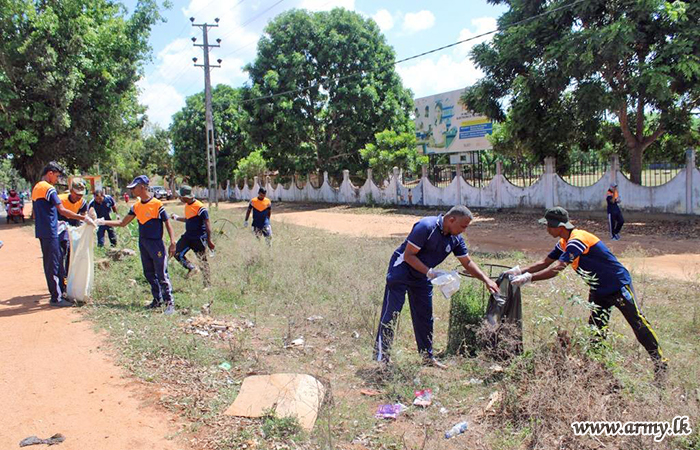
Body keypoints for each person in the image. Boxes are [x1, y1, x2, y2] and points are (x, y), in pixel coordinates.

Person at [508, 207, 667, 382]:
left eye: (548, 226)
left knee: (638, 323)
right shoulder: (563, 242)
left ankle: (660, 363)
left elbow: (556, 269)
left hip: (617, 285)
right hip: (598, 290)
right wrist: (518, 271)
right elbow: (545, 262)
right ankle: (598, 369)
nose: (546, 229)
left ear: (559, 226)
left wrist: (529, 279)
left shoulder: (577, 240)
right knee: (596, 330)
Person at [374, 205, 500, 368]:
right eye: (463, 226)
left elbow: (467, 263)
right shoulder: (426, 227)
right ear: (451, 219)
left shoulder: (455, 238)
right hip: (401, 272)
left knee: (425, 316)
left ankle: (427, 357)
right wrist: (431, 273)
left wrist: (486, 280)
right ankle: (382, 359)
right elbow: (409, 255)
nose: (464, 230)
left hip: (423, 276)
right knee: (392, 313)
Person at [99, 176, 177, 314]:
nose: (132, 191)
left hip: (156, 243)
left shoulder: (157, 204)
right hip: (143, 243)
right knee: (148, 273)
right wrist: (102, 222)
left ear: (142, 187)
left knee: (161, 274)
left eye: (133, 188)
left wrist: (172, 242)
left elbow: (167, 223)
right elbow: (123, 223)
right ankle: (157, 300)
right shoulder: (136, 207)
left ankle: (169, 303)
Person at [32, 162, 91, 307]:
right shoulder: (48, 189)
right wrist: (83, 218)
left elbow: (34, 214)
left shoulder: (36, 188)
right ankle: (56, 298)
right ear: (50, 173)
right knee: (53, 264)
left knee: (56, 261)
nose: (57, 180)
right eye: (57, 176)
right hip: (50, 231)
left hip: (43, 230)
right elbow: (62, 210)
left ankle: (61, 291)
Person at [171, 185, 215, 286]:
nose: (179, 198)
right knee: (176, 252)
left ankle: (207, 284)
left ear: (186, 197)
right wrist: (177, 218)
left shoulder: (200, 207)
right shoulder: (187, 205)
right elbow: (188, 219)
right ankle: (191, 268)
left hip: (198, 237)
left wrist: (209, 240)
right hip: (188, 236)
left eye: (180, 196)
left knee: (202, 260)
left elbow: (207, 223)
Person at [58, 178, 89, 287]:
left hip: (73, 230)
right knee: (61, 253)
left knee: (72, 253)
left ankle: (68, 277)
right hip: (59, 231)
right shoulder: (60, 200)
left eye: (81, 195)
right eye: (77, 194)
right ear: (71, 191)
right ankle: (61, 278)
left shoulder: (82, 202)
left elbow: (83, 217)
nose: (78, 197)